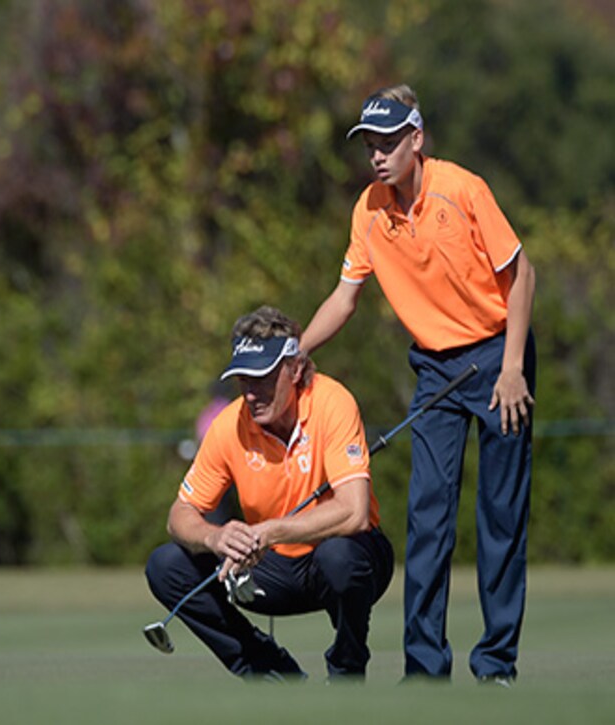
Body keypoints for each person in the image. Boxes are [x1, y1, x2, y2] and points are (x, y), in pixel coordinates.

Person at [300, 84, 536, 686]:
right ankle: (425, 670)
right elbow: (345, 298)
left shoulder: (463, 189)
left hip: (497, 355)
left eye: (388, 142)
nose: (378, 154)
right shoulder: (369, 209)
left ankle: (496, 667)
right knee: (429, 519)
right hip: (435, 368)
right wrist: (295, 352)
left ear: (416, 139)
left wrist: (511, 369)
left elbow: (522, 275)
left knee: (500, 517)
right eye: (370, 144)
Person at [145, 305, 394, 681]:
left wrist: (268, 532)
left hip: (349, 560)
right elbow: (179, 515)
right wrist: (216, 537)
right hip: (273, 569)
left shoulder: (332, 402)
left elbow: (354, 513)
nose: (251, 393)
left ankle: (347, 669)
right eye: (243, 379)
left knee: (339, 556)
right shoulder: (230, 424)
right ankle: (268, 670)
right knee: (165, 566)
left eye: (262, 377)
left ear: (294, 370)